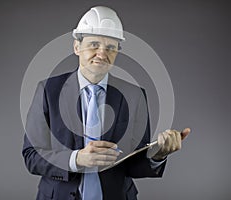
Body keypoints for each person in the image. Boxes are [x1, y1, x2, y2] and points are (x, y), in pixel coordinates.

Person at [22, 6, 190, 200]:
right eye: (94, 44)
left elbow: (133, 165)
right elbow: (32, 156)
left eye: (111, 47)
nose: (102, 54)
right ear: (77, 47)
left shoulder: (134, 95)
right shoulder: (49, 91)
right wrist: (76, 160)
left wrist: (159, 154)